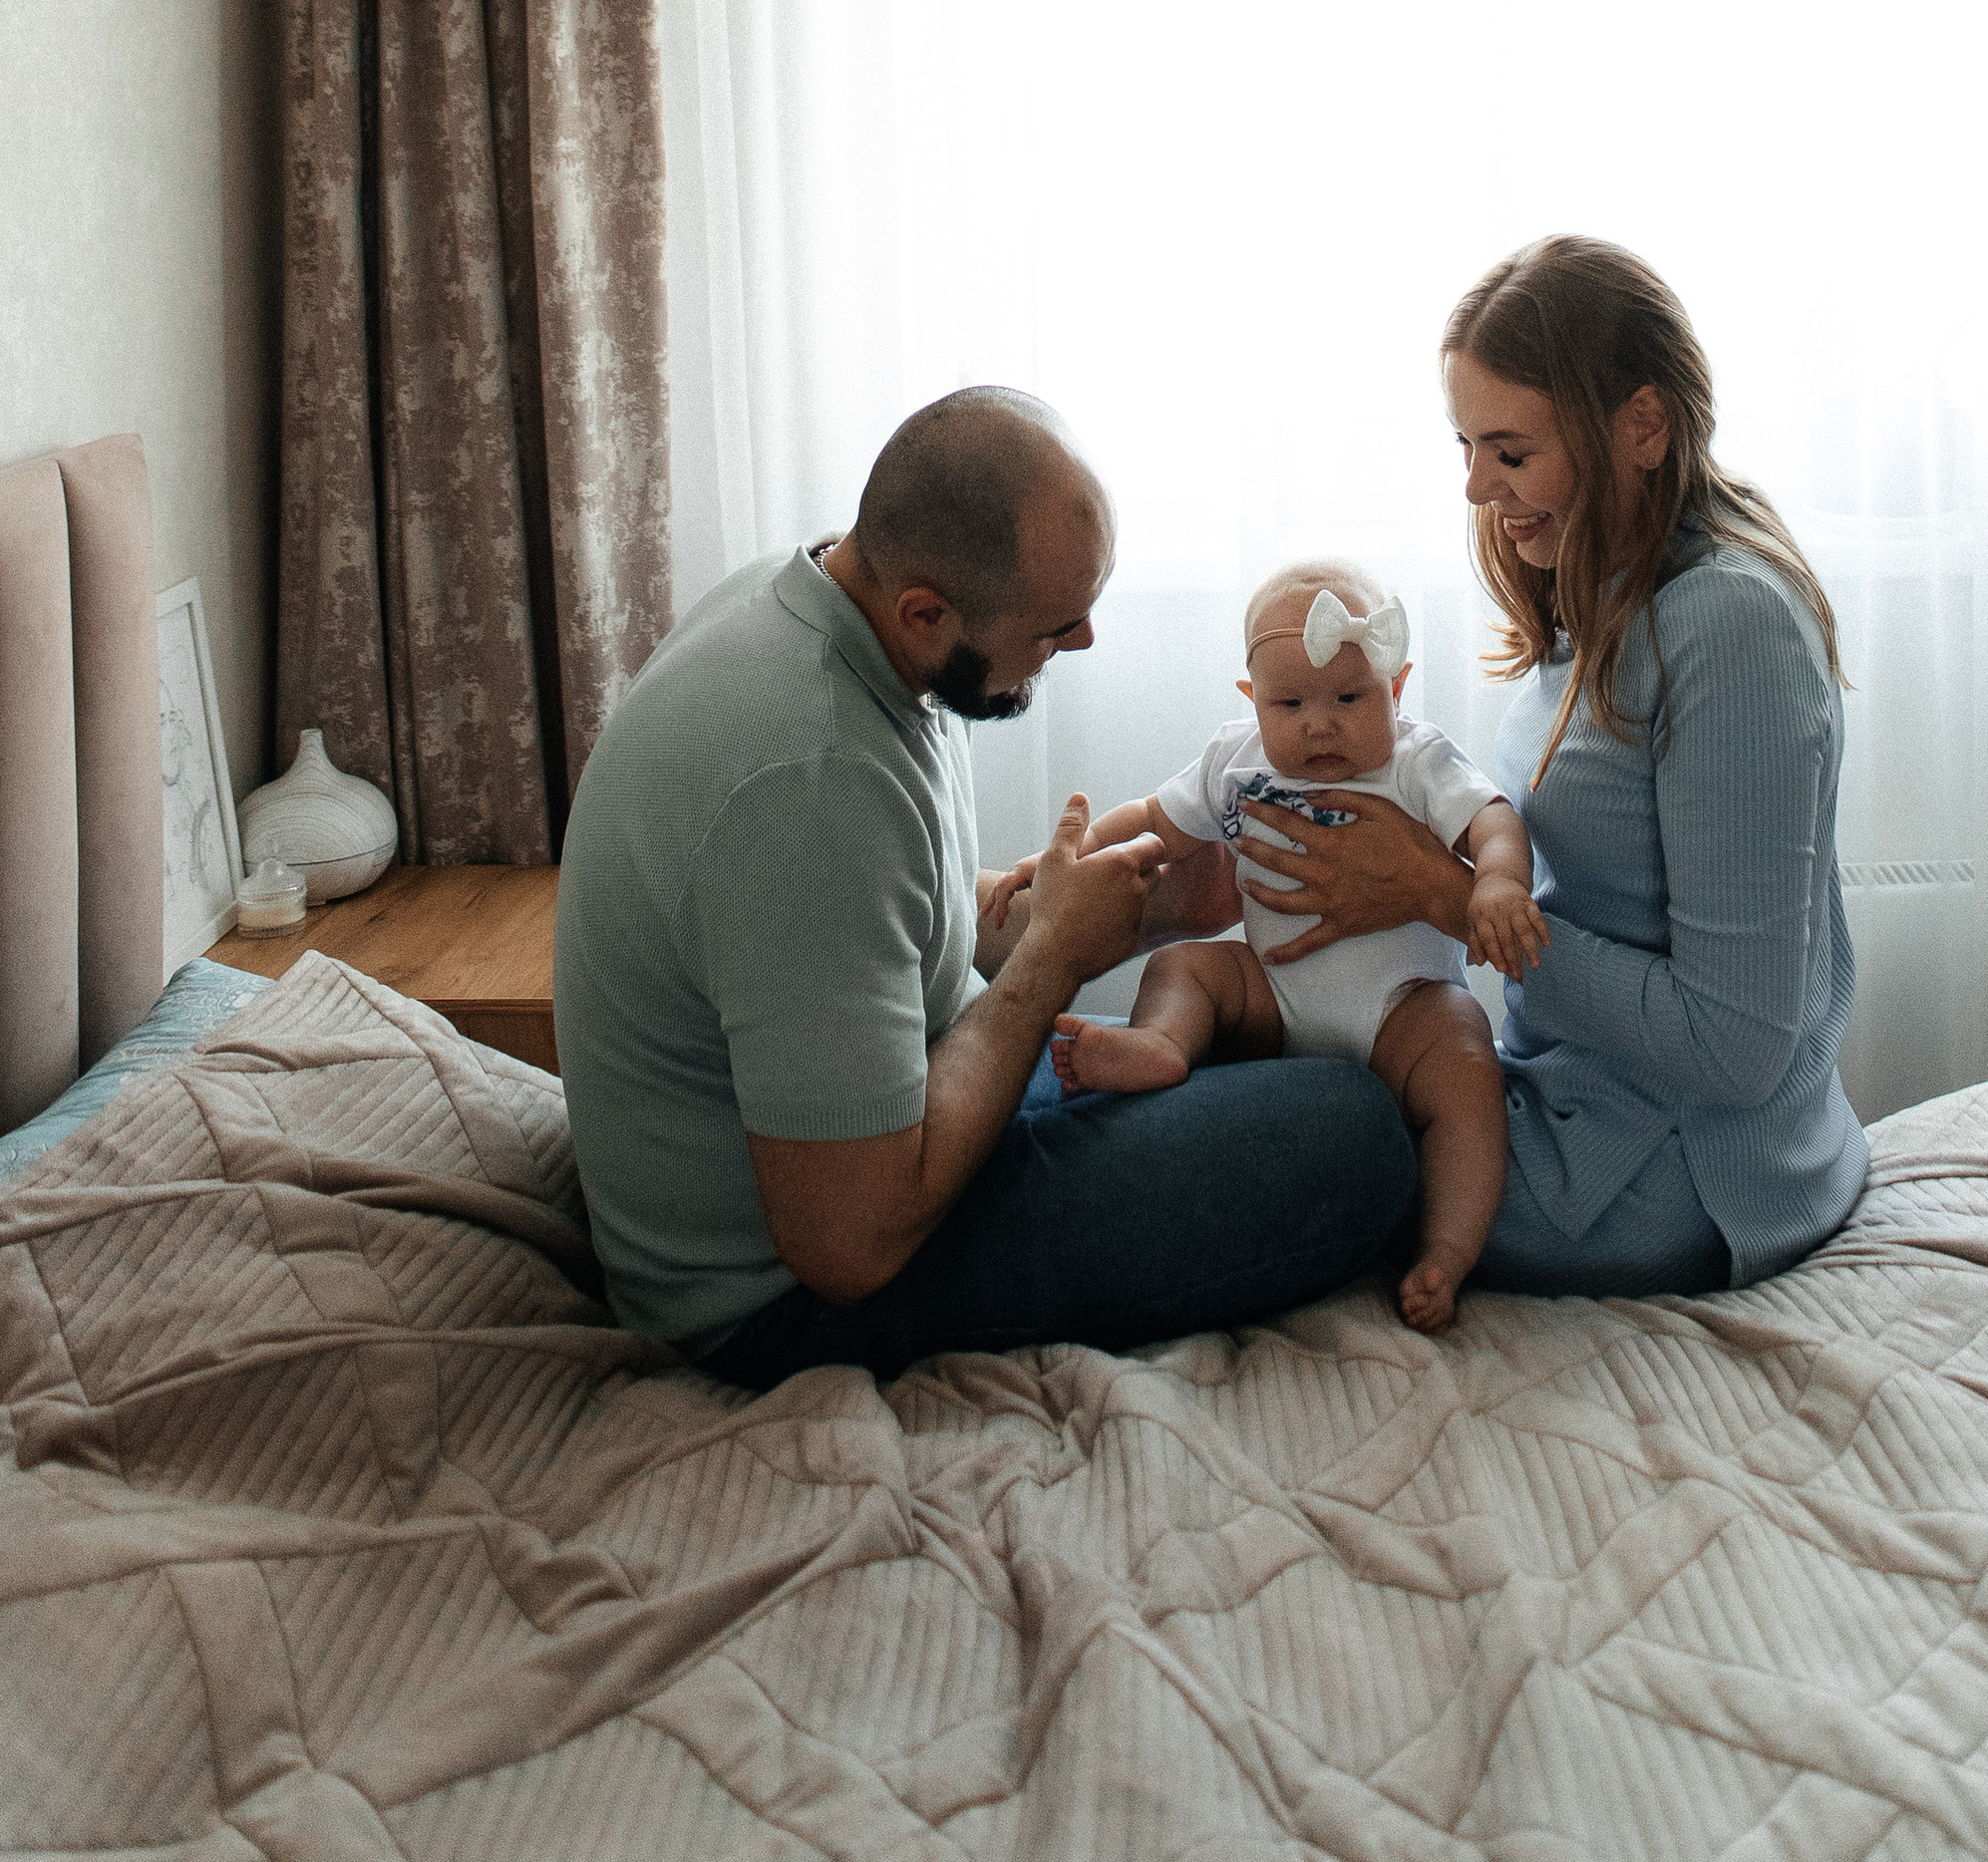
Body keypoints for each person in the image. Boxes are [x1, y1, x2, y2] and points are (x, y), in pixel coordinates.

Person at [552, 386, 1418, 1388]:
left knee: (1239, 1041)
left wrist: (1151, 906)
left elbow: (869, 927)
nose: (1083, 643)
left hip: (893, 1111)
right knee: (1359, 1136)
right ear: (926, 611)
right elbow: (849, 1246)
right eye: (1056, 627)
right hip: (780, 1294)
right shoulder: (803, 780)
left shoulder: (815, 609)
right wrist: (1051, 957)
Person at [1242, 240, 1867, 1298]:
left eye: (1509, 451)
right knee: (1218, 1054)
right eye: (1466, 445)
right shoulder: (1612, 584)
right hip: (1570, 1105)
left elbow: (1736, 1046)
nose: (1478, 486)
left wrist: (1445, 899)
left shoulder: (1727, 625)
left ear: (1641, 425)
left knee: (1246, 1137)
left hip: (1663, 1178)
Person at [1051, 558, 1546, 1332]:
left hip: (1398, 1012)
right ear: (1253, 701)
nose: (1320, 723)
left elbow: (1491, 819)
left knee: (1465, 1047)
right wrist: (1071, 859)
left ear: (1398, 687)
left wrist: (1498, 885)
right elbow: (1157, 820)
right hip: (1273, 995)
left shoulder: (1415, 759)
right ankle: (1160, 1044)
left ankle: (1448, 1248)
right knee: (1188, 964)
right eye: (1291, 703)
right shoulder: (1234, 760)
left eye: (1351, 698)